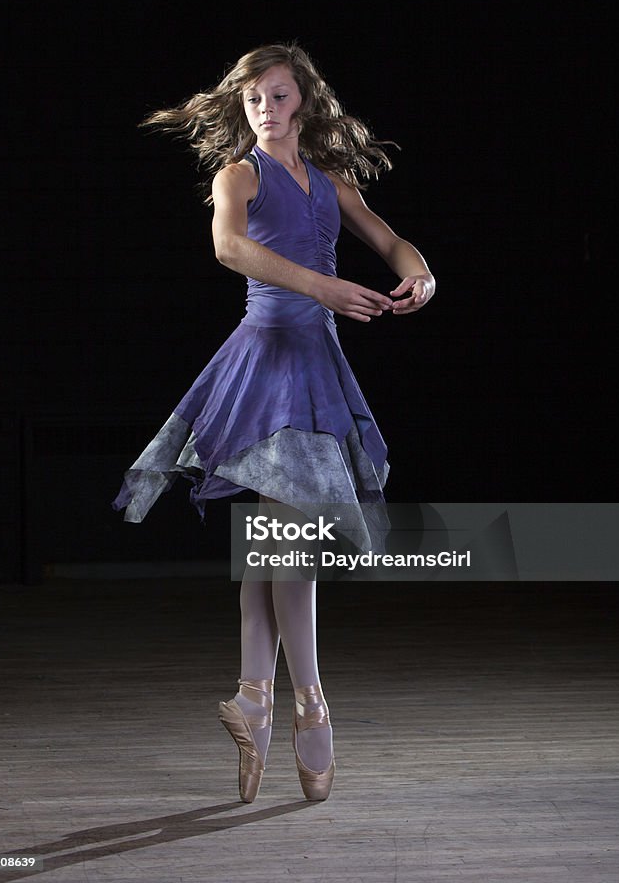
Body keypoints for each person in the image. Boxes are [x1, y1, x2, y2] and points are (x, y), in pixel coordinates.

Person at [112, 43, 435, 803]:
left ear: (304, 104)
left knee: (271, 543)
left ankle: (255, 698)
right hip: (262, 365)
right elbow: (229, 247)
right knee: (287, 540)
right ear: (243, 105)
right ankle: (311, 702)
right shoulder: (238, 174)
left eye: (280, 96)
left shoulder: (330, 182)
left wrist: (419, 272)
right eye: (255, 98)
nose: (266, 108)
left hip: (314, 365)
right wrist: (319, 284)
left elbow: (388, 240)